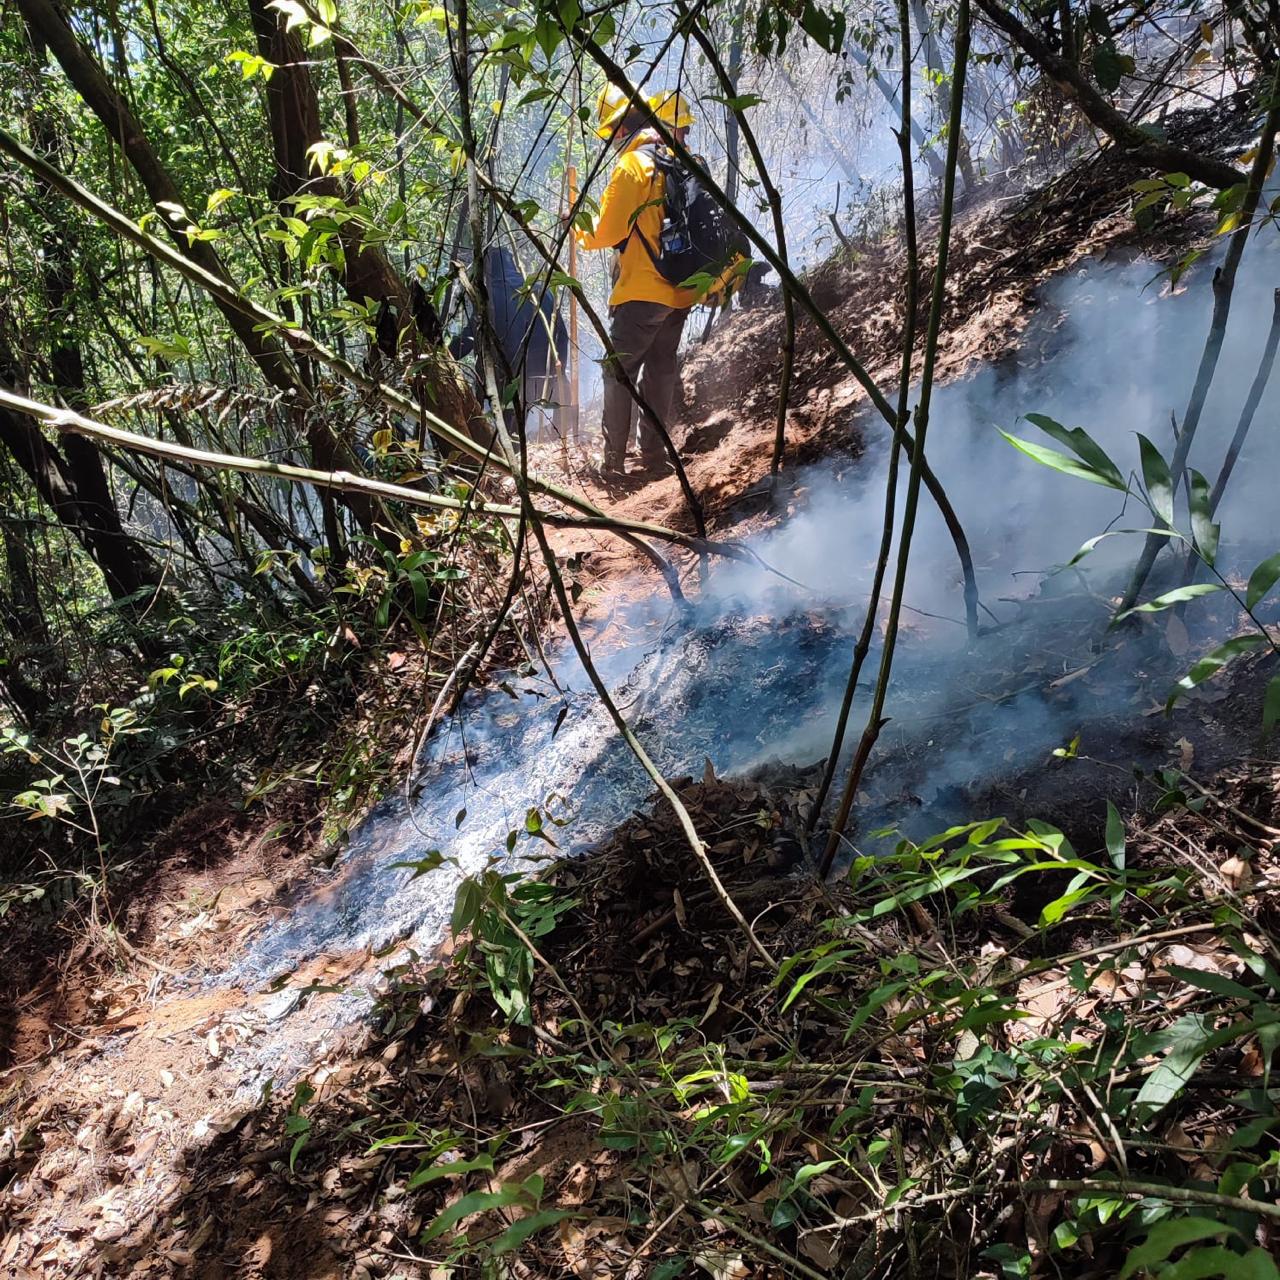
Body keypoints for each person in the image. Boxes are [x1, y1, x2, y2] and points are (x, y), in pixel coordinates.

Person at [574, 86, 727, 483]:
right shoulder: (680, 160)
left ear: (623, 128)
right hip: (681, 291)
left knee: (618, 372)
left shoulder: (633, 166)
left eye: (611, 133)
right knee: (660, 371)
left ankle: (613, 464)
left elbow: (603, 233)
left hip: (641, 292)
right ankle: (655, 459)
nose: (611, 142)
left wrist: (576, 223)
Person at [451, 243, 570, 440]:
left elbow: (469, 338)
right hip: (548, 378)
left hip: (512, 384)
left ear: (486, 269)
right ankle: (560, 439)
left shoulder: (488, 298)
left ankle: (503, 445)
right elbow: (562, 336)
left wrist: (444, 353)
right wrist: (561, 372)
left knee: (490, 374)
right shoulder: (540, 289)